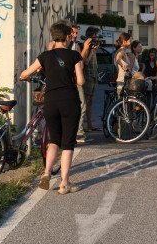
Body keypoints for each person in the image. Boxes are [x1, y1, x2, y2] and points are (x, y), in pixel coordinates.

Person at [20, 21, 84, 194]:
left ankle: (47, 173)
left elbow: (24, 74)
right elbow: (80, 81)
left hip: (51, 102)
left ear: (54, 37)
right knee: (68, 143)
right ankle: (64, 184)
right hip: (70, 101)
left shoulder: (45, 56)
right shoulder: (74, 56)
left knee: (54, 140)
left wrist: (27, 78)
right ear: (68, 37)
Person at [81, 26, 100, 132]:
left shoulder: (92, 47)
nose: (98, 38)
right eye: (96, 36)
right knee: (85, 101)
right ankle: (83, 125)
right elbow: (85, 62)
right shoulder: (87, 47)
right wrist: (91, 50)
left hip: (93, 77)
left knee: (90, 102)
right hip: (87, 77)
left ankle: (89, 124)